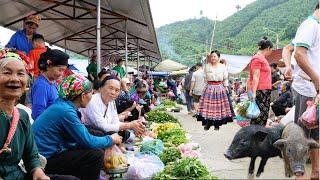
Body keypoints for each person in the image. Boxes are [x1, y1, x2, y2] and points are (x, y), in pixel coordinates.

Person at [32, 74, 122, 179]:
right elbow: (88, 140)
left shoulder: (63, 105)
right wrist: (110, 139)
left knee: (97, 135)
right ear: (83, 96)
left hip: (53, 151)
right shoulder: (66, 111)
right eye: (91, 93)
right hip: (43, 161)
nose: (92, 96)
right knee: (95, 155)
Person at [282, 3, 319, 179]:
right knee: (305, 132)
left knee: (315, 132)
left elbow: (288, 49)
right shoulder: (310, 24)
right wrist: (317, 79)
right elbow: (297, 53)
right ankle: (301, 173)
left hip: (314, 86)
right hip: (308, 87)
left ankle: (316, 171)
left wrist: (288, 66)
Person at [0, 50, 49, 179]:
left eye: (21, 73)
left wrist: (37, 171)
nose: (15, 79)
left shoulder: (22, 116)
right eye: (7, 72)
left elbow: (31, 155)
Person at [80, 76, 145, 139]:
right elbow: (102, 127)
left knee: (124, 134)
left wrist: (135, 124)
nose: (113, 92)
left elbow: (115, 121)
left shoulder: (111, 102)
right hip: (89, 135)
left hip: (103, 133)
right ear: (101, 88)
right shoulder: (93, 101)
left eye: (117, 90)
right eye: (110, 88)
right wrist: (130, 125)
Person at [196, 50, 233, 130]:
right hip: (209, 87)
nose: (213, 58)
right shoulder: (206, 66)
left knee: (217, 107)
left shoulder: (223, 67)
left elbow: (225, 78)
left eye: (215, 56)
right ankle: (207, 124)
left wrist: (226, 87)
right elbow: (205, 78)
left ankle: (217, 124)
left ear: (218, 58)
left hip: (219, 87)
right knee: (208, 107)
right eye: (212, 56)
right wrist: (205, 87)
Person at [31, 49, 69, 120]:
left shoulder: (52, 83)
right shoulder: (42, 86)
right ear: (49, 66)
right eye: (60, 70)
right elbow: (37, 114)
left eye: (63, 71)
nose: (61, 74)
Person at [248, 37, 273, 126]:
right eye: (271, 49)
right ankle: (254, 137)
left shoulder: (262, 58)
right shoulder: (257, 59)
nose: (271, 52)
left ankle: (258, 136)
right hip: (260, 91)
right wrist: (253, 93)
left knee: (263, 116)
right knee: (258, 116)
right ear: (268, 48)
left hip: (265, 90)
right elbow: (255, 77)